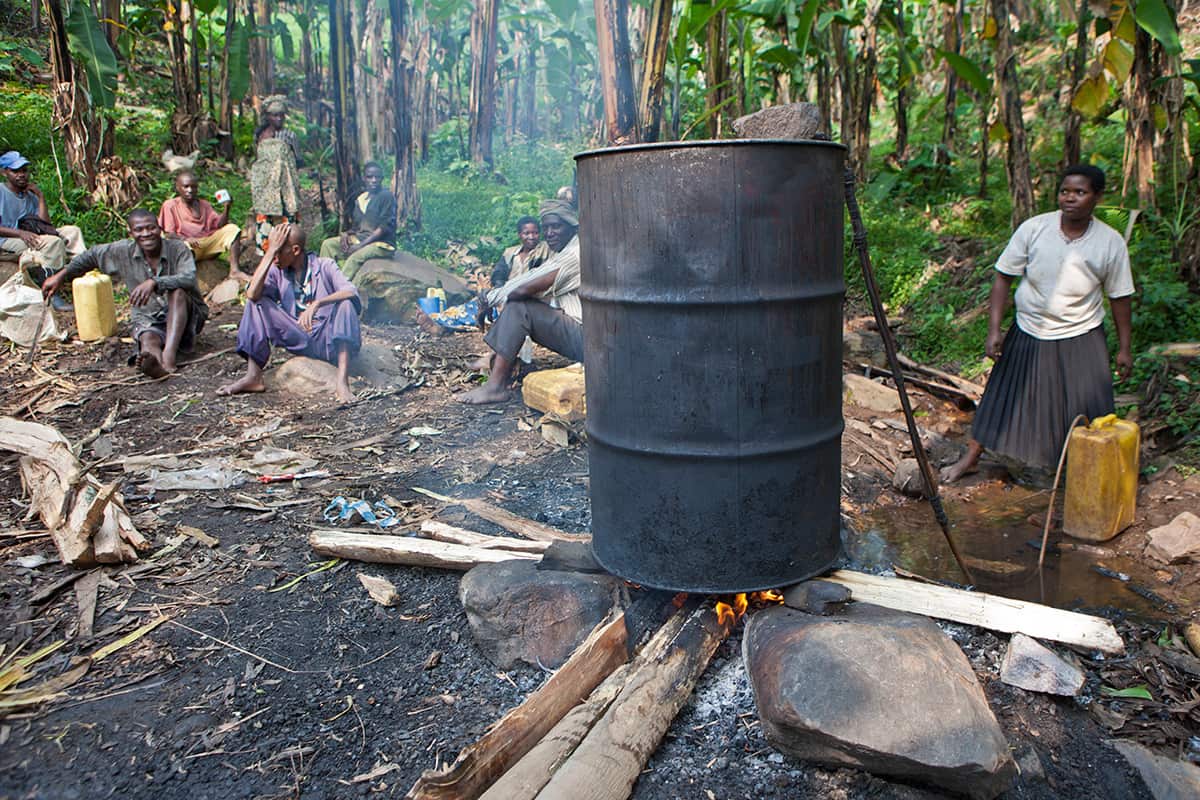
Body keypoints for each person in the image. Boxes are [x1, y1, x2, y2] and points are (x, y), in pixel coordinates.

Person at [940, 164, 1134, 484]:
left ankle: (1089, 475)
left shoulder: (1109, 243)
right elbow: (1003, 277)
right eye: (1064, 191)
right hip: (1030, 328)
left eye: (1080, 192)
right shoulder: (1035, 229)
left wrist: (1124, 348)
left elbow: (1120, 297)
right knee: (1001, 395)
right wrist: (994, 329)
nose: (1069, 198)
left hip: (1082, 333)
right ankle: (971, 458)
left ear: (1097, 197)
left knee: (1090, 408)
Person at [41, 209, 207, 379]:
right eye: (139, 230)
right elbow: (91, 256)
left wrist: (155, 282)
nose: (146, 234)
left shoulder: (177, 248)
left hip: (188, 315)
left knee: (177, 291)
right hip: (148, 316)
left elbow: (188, 278)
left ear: (160, 228)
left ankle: (169, 358)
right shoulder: (122, 251)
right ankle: (155, 364)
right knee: (148, 338)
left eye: (151, 228)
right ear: (130, 232)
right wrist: (60, 276)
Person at [218, 222, 362, 404]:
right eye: (271, 252)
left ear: (295, 250)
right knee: (257, 302)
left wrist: (317, 303)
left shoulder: (325, 266)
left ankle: (342, 382)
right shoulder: (276, 270)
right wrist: (271, 252)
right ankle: (253, 376)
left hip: (327, 339)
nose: (274, 258)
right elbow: (252, 293)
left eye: (278, 252)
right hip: (299, 336)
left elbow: (351, 291)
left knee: (346, 304)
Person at [458, 199, 582, 405]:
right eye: (547, 228)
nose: (549, 233)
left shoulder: (575, 254)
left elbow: (525, 288)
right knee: (519, 304)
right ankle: (498, 363)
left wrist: (489, 299)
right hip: (582, 333)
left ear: (571, 226)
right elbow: (530, 278)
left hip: (588, 339)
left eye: (556, 226)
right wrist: (492, 297)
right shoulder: (565, 250)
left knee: (519, 306)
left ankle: (495, 386)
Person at [422, 215, 549, 339]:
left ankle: (441, 323)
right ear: (519, 235)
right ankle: (438, 320)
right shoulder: (511, 253)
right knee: (474, 305)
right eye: (526, 233)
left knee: (481, 312)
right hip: (504, 294)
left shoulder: (544, 250)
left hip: (524, 297)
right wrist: (499, 289)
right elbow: (499, 274)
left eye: (535, 233)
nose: (531, 237)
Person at [0, 150, 86, 304]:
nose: (21, 175)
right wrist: (20, 233)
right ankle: (52, 292)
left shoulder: (30, 195)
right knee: (53, 242)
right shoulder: (1, 191)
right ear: (5, 172)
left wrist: (40, 197)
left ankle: (79, 272)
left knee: (73, 232)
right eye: (15, 171)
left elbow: (45, 224)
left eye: (24, 171)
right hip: (7, 238)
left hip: (33, 233)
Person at [319, 161, 398, 282]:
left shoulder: (386, 196)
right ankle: (323, 282)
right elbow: (357, 228)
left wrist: (360, 246)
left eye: (377, 177)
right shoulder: (361, 199)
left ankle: (340, 289)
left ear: (382, 179)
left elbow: (384, 227)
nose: (373, 180)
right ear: (364, 178)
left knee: (355, 258)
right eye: (369, 177)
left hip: (381, 244)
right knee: (328, 245)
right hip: (360, 239)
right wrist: (346, 233)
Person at [158, 169, 245, 280]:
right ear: (178, 187)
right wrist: (186, 239)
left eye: (193, 187)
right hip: (189, 247)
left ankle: (235, 270)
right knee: (181, 246)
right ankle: (185, 278)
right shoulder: (170, 205)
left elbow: (219, 225)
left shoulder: (204, 204)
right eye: (186, 187)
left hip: (206, 243)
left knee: (232, 229)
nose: (190, 190)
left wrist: (227, 208)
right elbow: (169, 234)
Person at [249, 95, 301, 253]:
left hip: (285, 186)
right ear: (267, 116)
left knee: (287, 217)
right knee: (266, 219)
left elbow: (297, 159)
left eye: (281, 115)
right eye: (274, 115)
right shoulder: (259, 135)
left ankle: (289, 252)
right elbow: (258, 161)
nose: (278, 118)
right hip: (265, 187)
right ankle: (266, 256)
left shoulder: (290, 136)